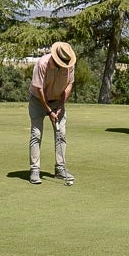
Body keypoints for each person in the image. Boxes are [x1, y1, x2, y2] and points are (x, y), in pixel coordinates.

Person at [28, 41, 76, 185]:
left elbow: (69, 85)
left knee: (61, 134)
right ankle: (34, 170)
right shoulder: (42, 64)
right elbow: (39, 89)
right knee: (36, 134)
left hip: (58, 100)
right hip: (38, 100)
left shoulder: (69, 64)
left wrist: (61, 105)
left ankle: (60, 169)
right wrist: (49, 111)